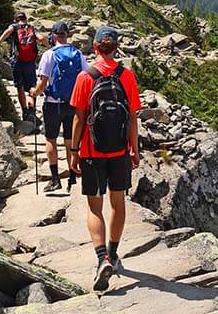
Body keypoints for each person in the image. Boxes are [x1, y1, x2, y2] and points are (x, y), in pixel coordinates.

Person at [69, 26, 141, 292]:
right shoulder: (127, 76)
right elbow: (132, 117)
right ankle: (114, 253)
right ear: (117, 48)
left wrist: (74, 152)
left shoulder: (85, 77)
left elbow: (78, 118)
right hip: (119, 151)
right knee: (118, 202)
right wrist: (134, 149)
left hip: (91, 151)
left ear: (96, 47)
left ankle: (102, 259)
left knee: (94, 207)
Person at [30, 21, 88, 192]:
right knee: (70, 141)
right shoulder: (78, 54)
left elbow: (43, 83)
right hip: (73, 104)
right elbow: (86, 77)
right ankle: (71, 176)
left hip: (53, 104)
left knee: (51, 139)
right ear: (67, 35)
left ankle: (55, 179)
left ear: (54, 35)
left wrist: (34, 92)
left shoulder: (49, 55)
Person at [0, 13, 40, 121]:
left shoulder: (14, 27)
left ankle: (25, 111)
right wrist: (49, 47)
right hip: (30, 62)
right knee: (32, 87)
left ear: (15, 20)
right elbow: (42, 37)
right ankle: (32, 111)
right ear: (25, 19)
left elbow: (7, 32)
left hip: (18, 61)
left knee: (20, 87)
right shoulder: (31, 28)